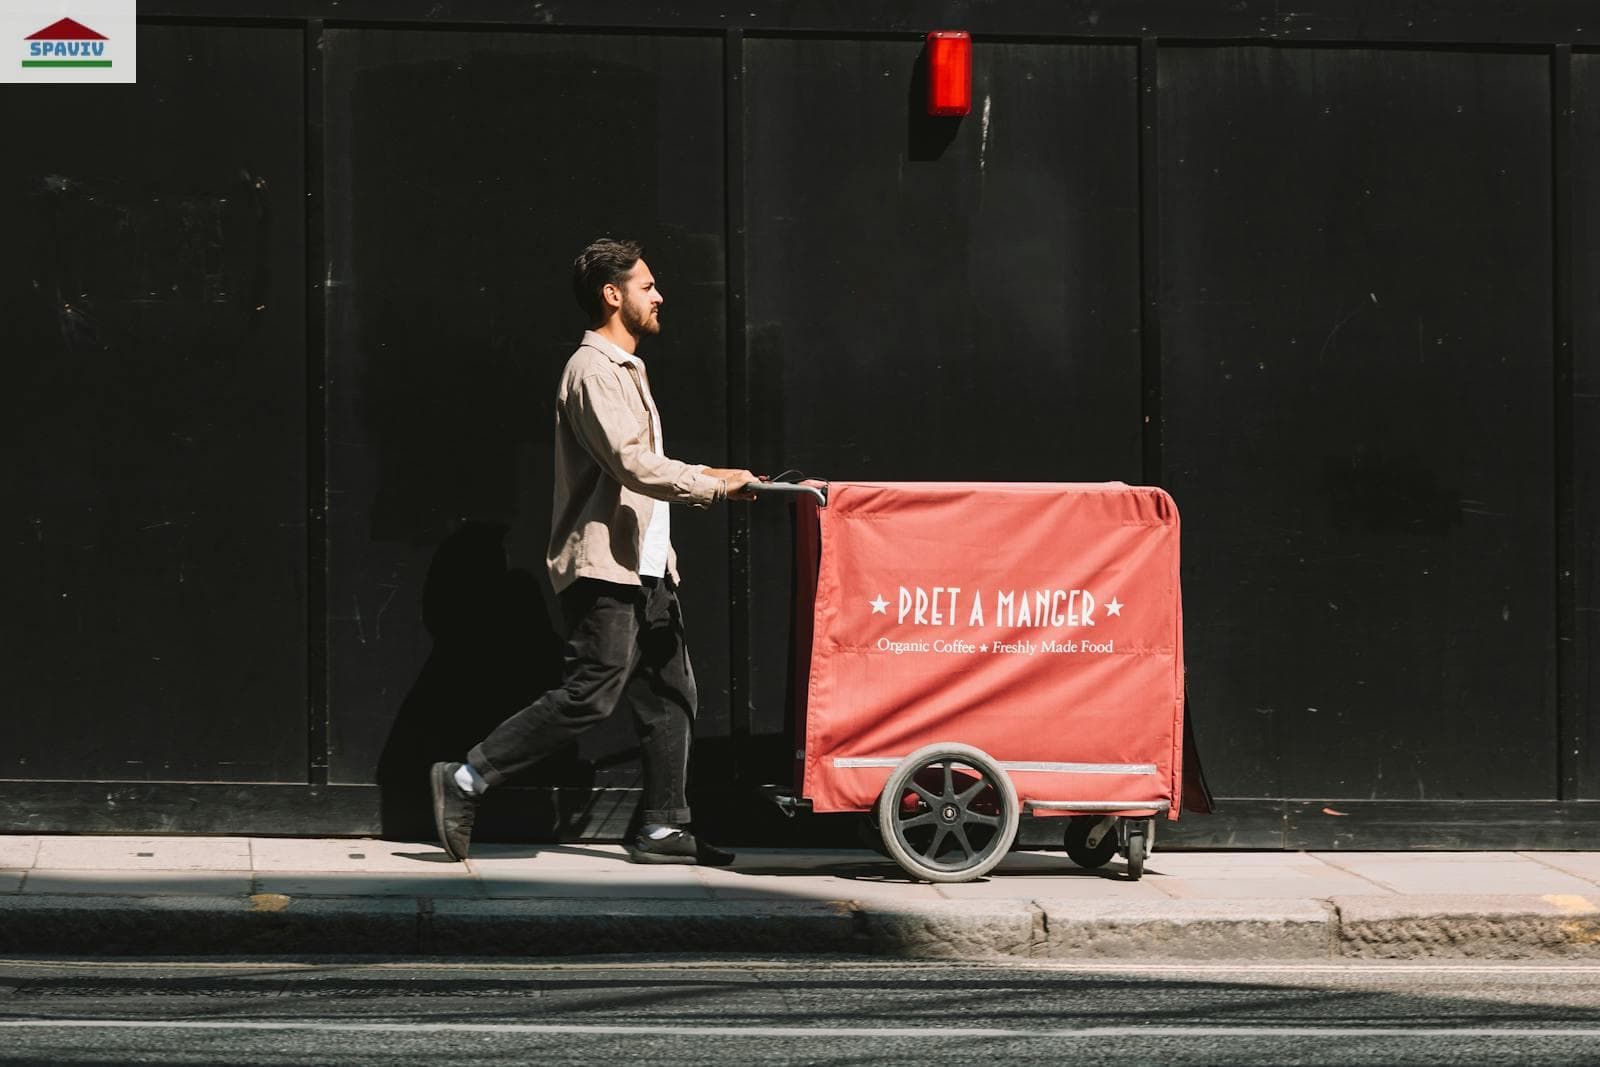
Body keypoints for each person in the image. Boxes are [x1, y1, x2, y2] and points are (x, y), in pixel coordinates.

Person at [429, 237, 757, 865]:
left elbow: (643, 464)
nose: (660, 296)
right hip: (607, 567)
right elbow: (631, 464)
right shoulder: (592, 370)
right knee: (591, 693)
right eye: (647, 285)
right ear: (613, 295)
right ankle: (465, 779)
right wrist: (712, 487)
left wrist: (721, 478)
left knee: (671, 695)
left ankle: (662, 828)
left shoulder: (627, 369)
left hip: (648, 567)